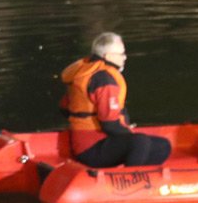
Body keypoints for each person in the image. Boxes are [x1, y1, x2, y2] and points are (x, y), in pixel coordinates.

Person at [59, 32, 171, 168]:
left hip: (87, 144)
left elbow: (64, 108)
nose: (125, 57)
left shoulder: (84, 72)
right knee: (140, 142)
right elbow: (109, 124)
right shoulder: (104, 79)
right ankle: (129, 180)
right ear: (109, 56)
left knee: (163, 146)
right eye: (122, 54)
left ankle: (141, 176)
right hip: (92, 148)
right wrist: (128, 132)